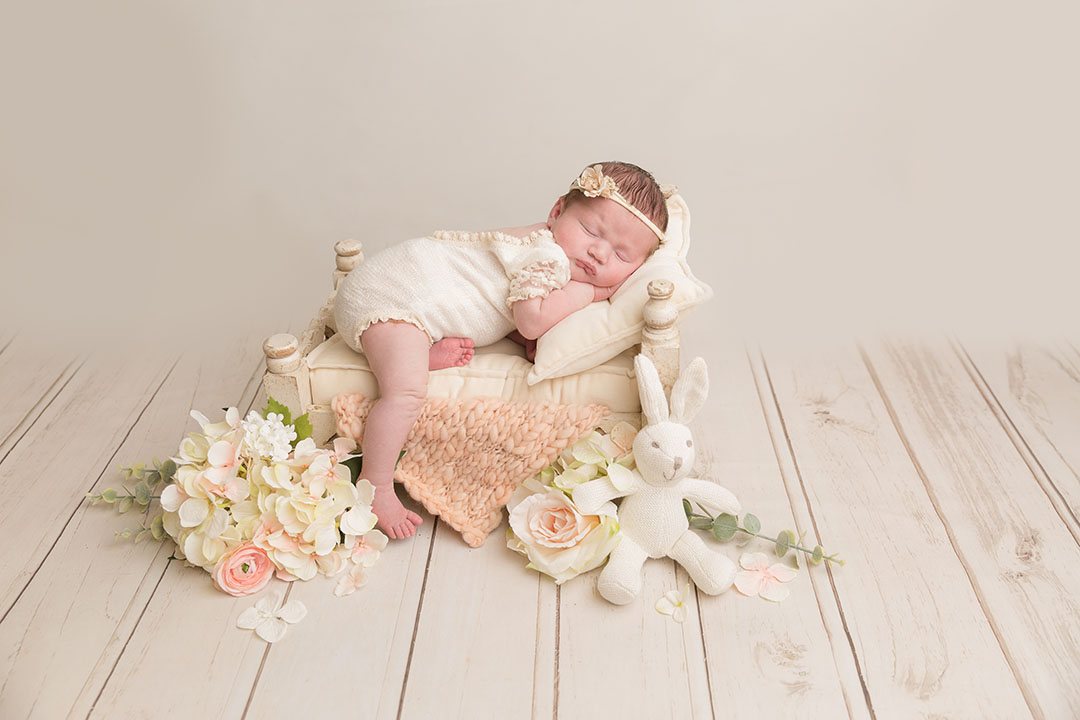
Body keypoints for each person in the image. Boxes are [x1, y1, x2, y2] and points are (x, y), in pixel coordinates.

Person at [333, 161, 669, 539]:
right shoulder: (548, 256)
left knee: (417, 355)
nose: (599, 253)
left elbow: (494, 302)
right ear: (557, 212)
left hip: (395, 293)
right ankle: (376, 486)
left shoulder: (540, 242)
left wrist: (519, 339)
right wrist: (587, 292)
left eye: (622, 256)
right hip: (390, 300)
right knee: (406, 392)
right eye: (591, 230)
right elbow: (530, 318)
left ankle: (422, 352)